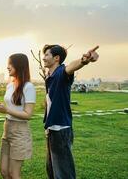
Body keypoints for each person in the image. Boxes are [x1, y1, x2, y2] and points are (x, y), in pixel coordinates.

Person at [42, 44, 99, 179]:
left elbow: (71, 67)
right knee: (52, 171)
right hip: (51, 129)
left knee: (63, 173)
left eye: (46, 55)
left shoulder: (61, 72)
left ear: (56, 58)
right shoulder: (50, 76)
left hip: (60, 129)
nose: (43, 58)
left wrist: (84, 60)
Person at [0, 53, 36, 179]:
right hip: (7, 128)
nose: (7, 67)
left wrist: (6, 110)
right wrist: (0, 107)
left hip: (20, 131)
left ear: (19, 66)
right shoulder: (10, 85)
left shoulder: (28, 87)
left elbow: (28, 114)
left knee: (14, 174)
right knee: (4, 172)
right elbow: (10, 106)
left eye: (10, 64)